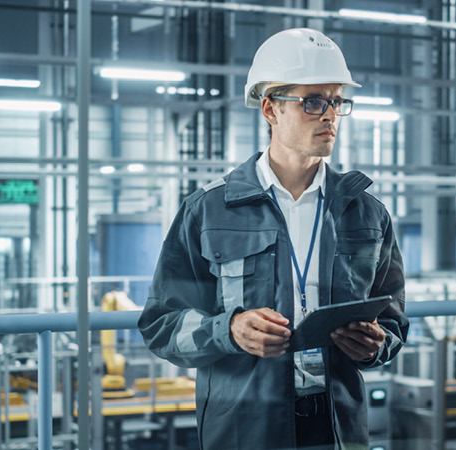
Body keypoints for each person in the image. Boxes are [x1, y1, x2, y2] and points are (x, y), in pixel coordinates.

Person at [138, 28, 408, 450]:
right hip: (246, 430)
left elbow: (392, 321)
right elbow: (161, 325)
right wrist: (228, 330)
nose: (330, 115)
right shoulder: (209, 210)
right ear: (270, 109)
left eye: (337, 101)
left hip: (337, 428)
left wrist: (375, 345)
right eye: (313, 101)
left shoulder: (366, 214)